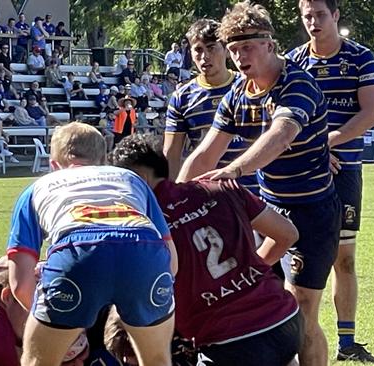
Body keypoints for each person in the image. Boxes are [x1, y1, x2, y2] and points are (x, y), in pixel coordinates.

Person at [178, 2, 341, 365]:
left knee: (301, 311)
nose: (238, 57)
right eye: (232, 50)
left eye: (246, 47)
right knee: (263, 306)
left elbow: (280, 135)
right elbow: (204, 155)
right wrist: (168, 201)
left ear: (269, 43)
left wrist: (232, 171)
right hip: (268, 214)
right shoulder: (238, 94)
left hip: (312, 213)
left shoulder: (297, 83)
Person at [111, 133, 302, 366]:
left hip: (228, 341)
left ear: (137, 178)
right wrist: (251, 274)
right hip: (286, 321)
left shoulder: (145, 224)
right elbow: (288, 234)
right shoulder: (220, 188)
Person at [6, 122, 177, 366]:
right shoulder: (130, 178)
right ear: (105, 159)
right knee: (157, 360)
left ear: (53, 165)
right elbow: (171, 259)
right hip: (145, 249)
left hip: (76, 251)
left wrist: (59, 324)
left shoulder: (36, 189)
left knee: (37, 360)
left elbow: (20, 283)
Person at [287, 0, 374, 361]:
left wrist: (328, 141)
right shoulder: (293, 61)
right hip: (301, 173)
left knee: (344, 259)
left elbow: (370, 113)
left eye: (320, 15)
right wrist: (314, 150)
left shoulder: (360, 57)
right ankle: (298, 338)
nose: (313, 22)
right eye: (307, 16)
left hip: (345, 172)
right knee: (297, 260)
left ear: (336, 15)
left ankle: (346, 343)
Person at [164, 19, 257, 195]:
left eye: (211, 48)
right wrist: (170, 196)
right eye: (198, 50)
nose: (204, 56)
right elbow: (171, 155)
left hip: (253, 189)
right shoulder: (182, 97)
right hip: (208, 193)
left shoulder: (249, 85)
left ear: (226, 50)